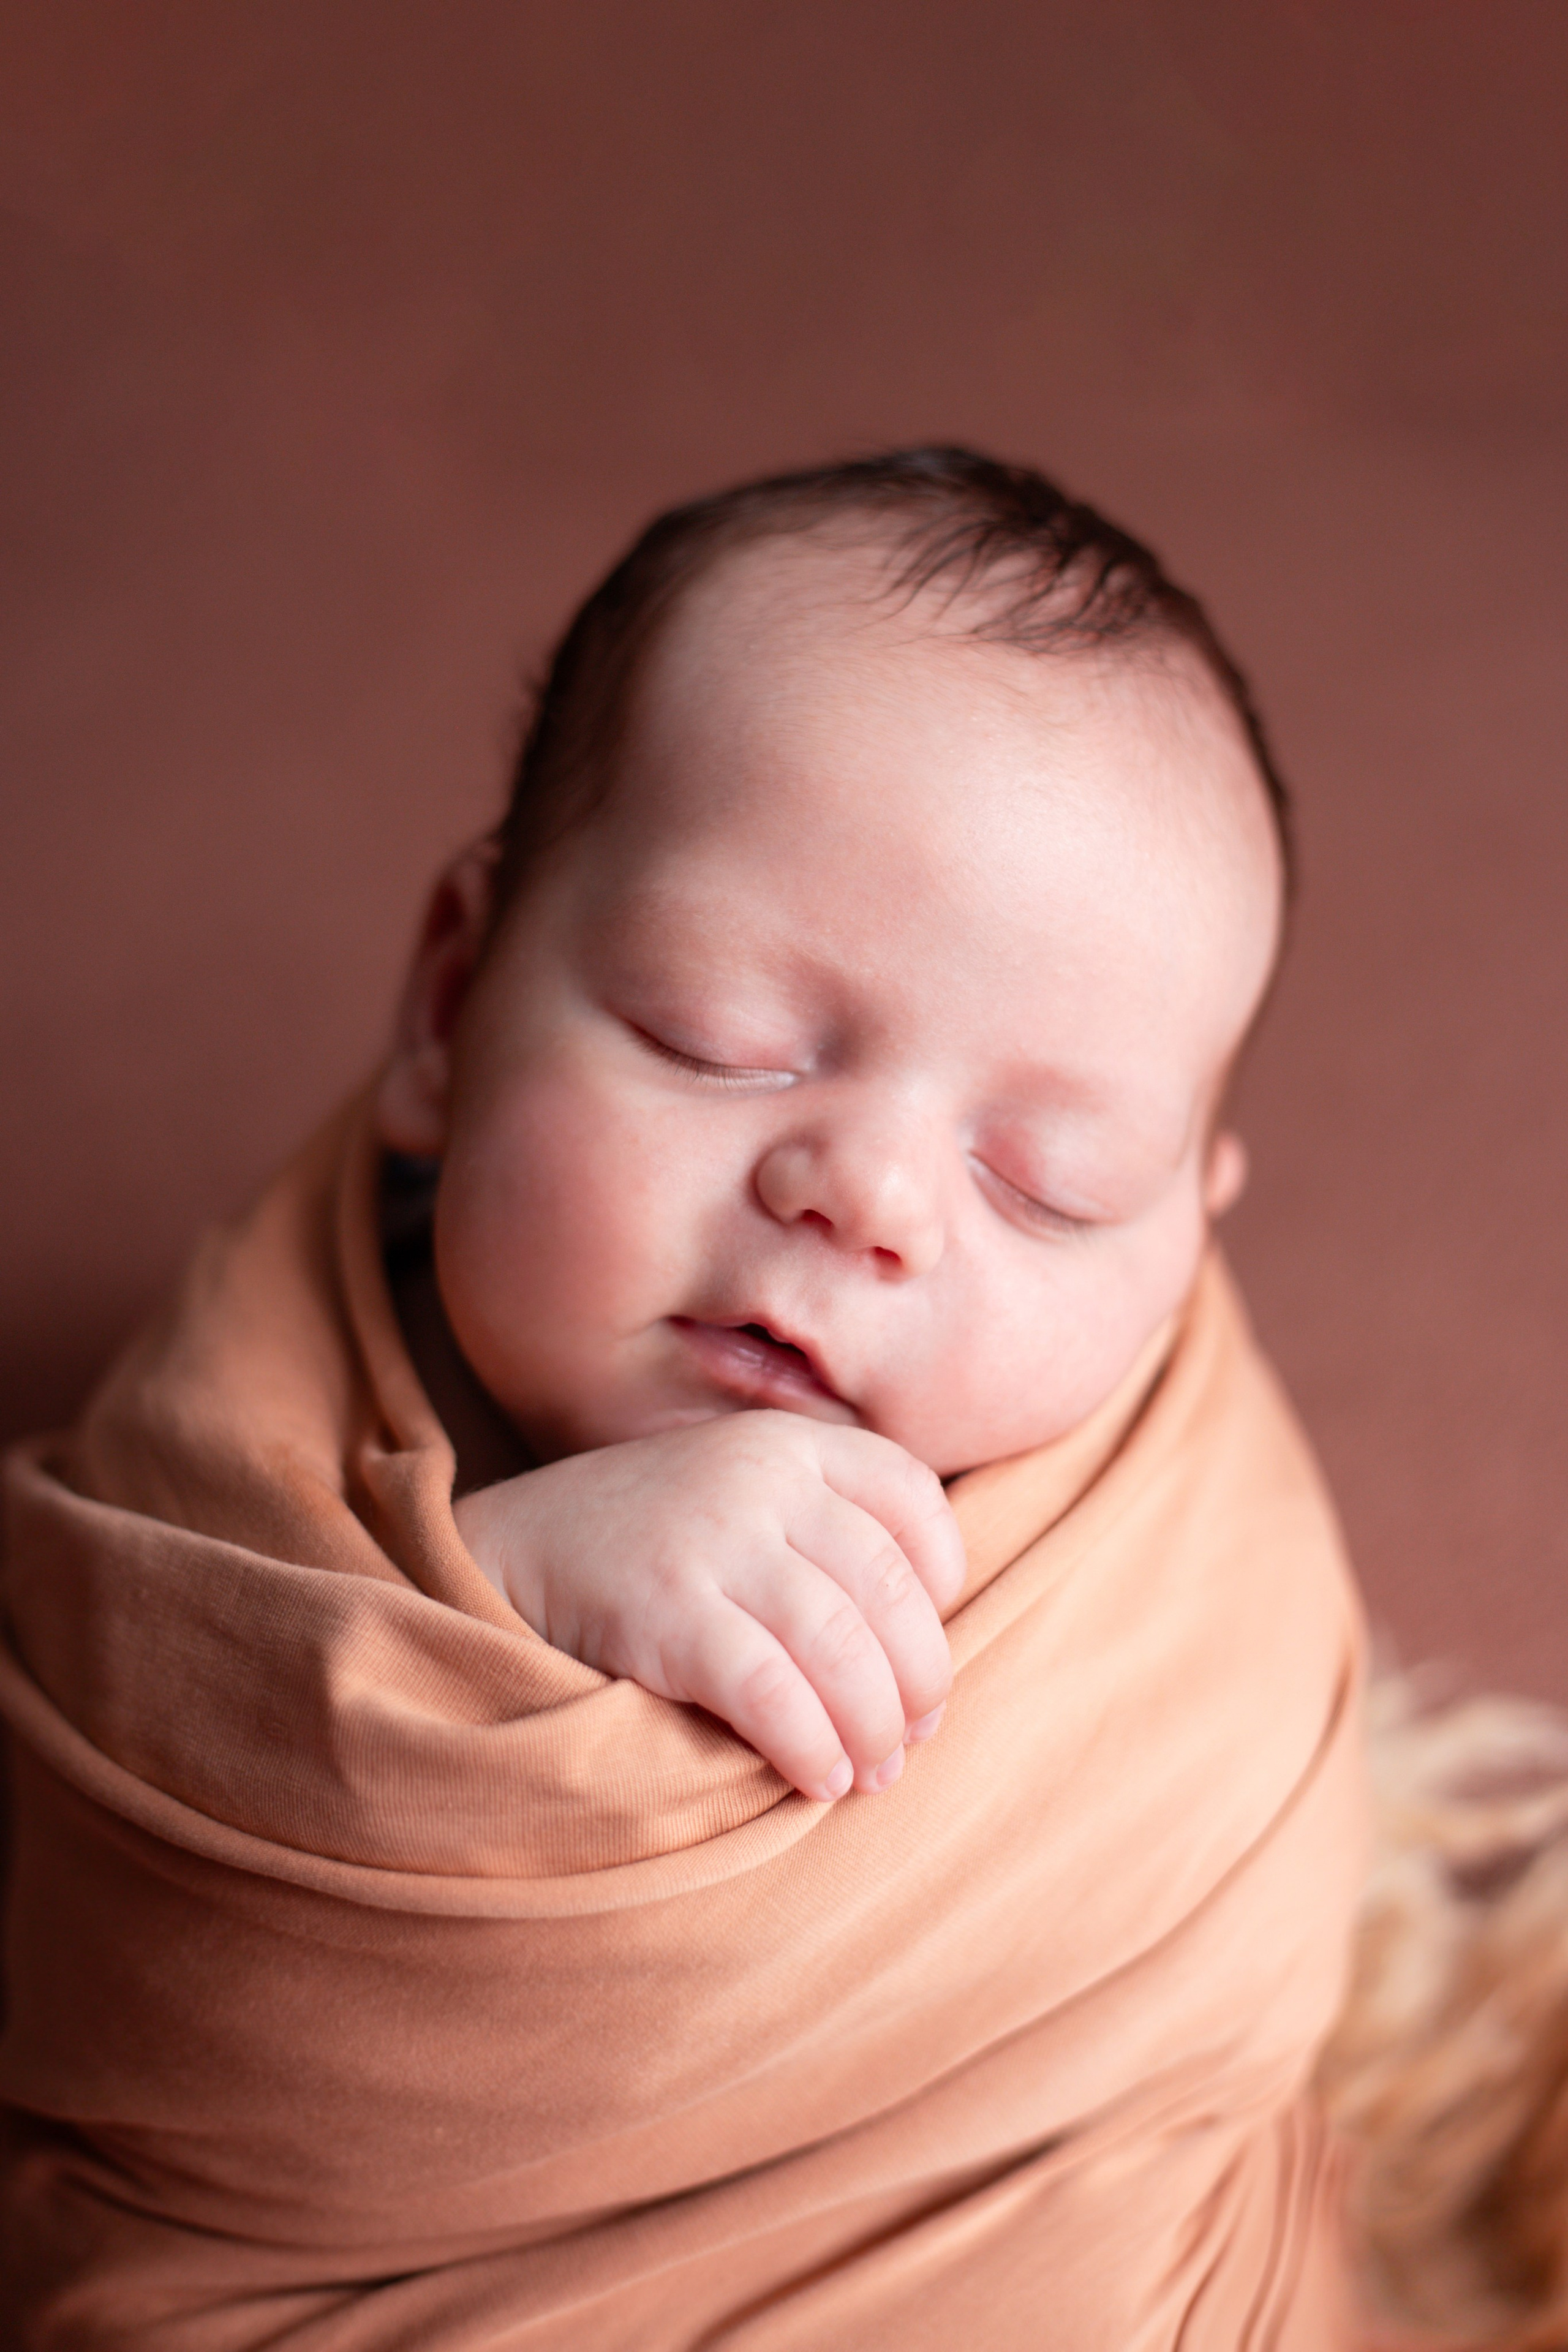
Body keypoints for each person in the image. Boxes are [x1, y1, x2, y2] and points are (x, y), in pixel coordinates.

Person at [0, 448, 1368, 2346]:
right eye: (716, 1040)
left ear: (1185, 1236)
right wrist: (492, 1590)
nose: (869, 1200)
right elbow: (117, 1911)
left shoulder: (1176, 1575)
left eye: (1048, 1178)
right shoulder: (231, 1433)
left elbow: (1237, 1946)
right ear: (449, 1004)